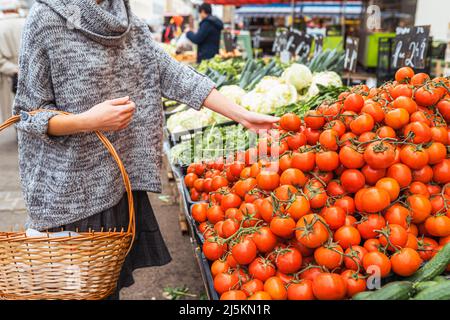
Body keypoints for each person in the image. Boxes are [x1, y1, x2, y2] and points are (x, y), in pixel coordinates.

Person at [12, 0, 278, 300]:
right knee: (73, 294)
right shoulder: (46, 18)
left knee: (106, 289)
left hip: (118, 185)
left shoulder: (127, 21)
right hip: (72, 197)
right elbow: (28, 114)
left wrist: (241, 114)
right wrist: (89, 121)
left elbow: (174, 75)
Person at [0, 14, 25, 122]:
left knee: (15, 112)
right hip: (29, 73)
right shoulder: (27, 21)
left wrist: (15, 69)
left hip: (11, 77)